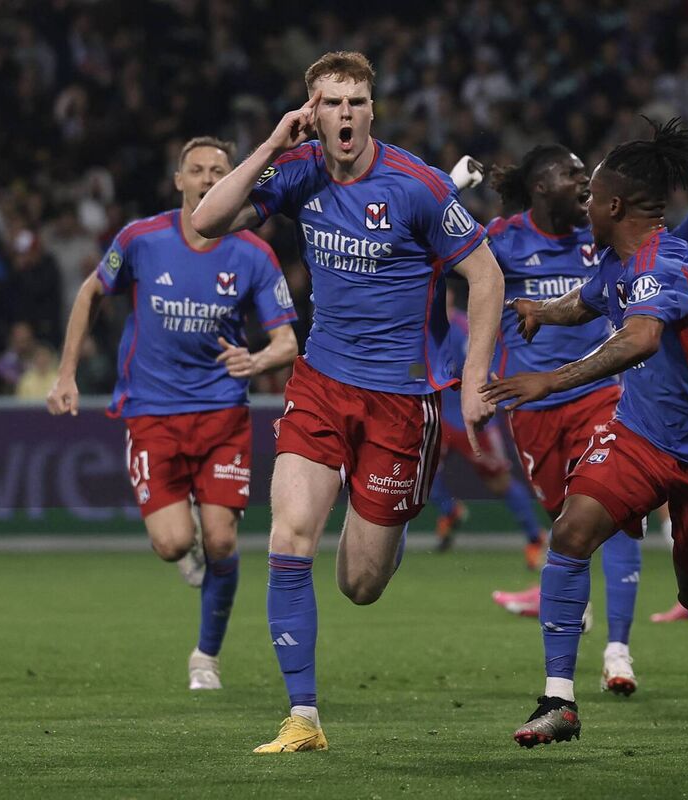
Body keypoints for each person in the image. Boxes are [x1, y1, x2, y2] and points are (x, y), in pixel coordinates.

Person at [191, 51, 503, 753]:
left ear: (372, 110)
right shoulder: (297, 172)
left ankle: (387, 541)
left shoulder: (418, 185)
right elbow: (209, 220)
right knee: (289, 535)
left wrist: (476, 375)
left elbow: (485, 277)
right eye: (331, 104)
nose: (345, 116)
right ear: (313, 112)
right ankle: (304, 718)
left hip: (403, 399)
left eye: (356, 102)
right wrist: (274, 143)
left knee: (360, 584)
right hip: (321, 384)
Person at [482, 117, 688, 745]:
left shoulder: (664, 262)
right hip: (639, 436)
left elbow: (641, 336)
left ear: (612, 206)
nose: (582, 205)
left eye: (589, 197)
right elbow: (588, 300)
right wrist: (541, 312)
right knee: (572, 530)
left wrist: (552, 380)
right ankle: (558, 700)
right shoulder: (616, 260)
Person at [46, 136, 299, 692]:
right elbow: (91, 292)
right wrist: (65, 374)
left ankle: (205, 656)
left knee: (225, 541)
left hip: (221, 413)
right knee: (170, 544)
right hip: (152, 412)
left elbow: (286, 342)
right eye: (198, 170)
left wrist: (255, 358)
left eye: (219, 171)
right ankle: (186, 540)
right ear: (178, 180)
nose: (208, 179)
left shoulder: (253, 254)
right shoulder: (141, 239)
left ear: (238, 181)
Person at [431, 305, 544, 561]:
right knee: (421, 471)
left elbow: (480, 369)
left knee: (499, 481)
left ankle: (535, 537)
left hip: (472, 417)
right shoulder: (425, 325)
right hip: (441, 417)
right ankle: (450, 510)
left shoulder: (464, 328)